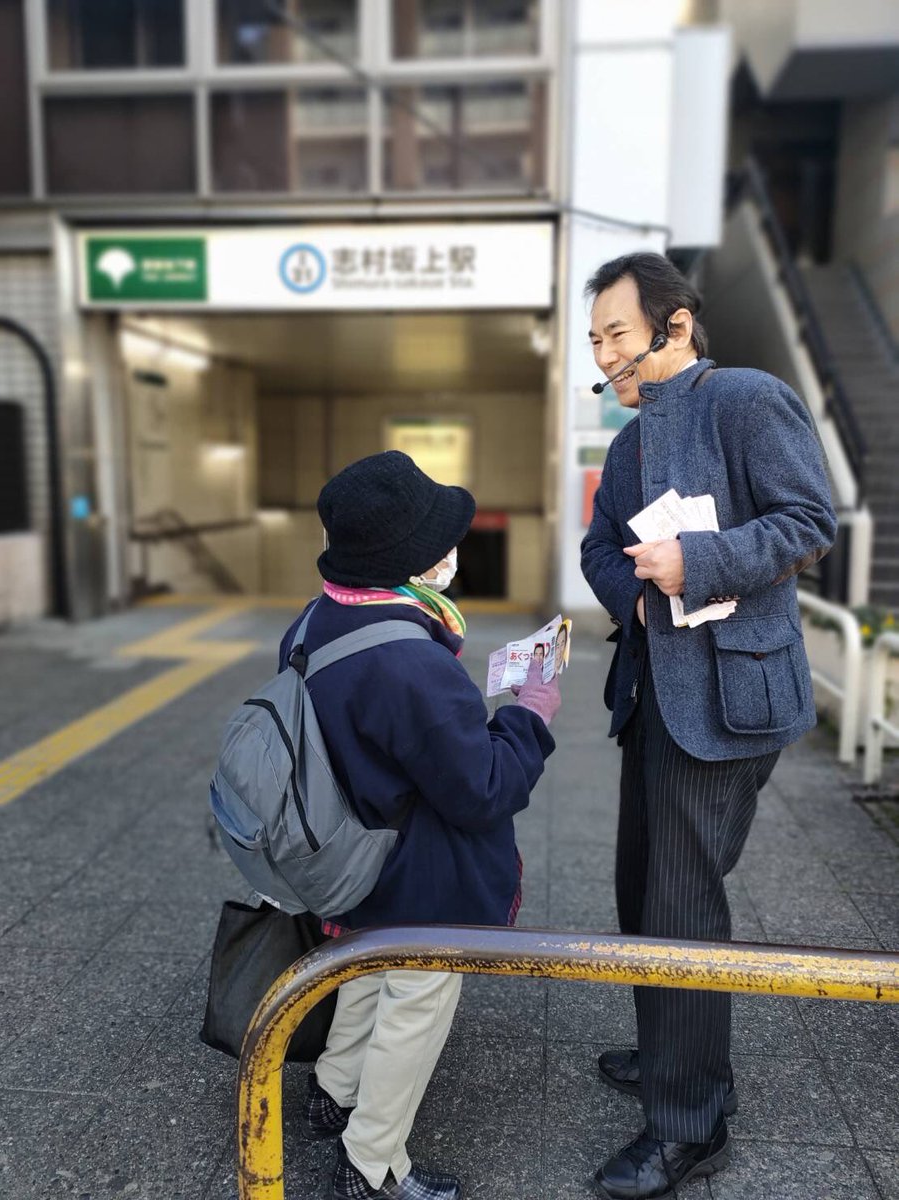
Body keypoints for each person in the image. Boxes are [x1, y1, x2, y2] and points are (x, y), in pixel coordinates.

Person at [579, 253, 836, 1200]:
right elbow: (598, 548)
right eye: (594, 339)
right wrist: (642, 597)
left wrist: (700, 561)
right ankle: (671, 1051)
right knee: (641, 889)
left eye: (616, 333)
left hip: (729, 700)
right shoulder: (629, 445)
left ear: (675, 324)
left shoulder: (747, 400)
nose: (604, 354)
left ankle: (690, 1122)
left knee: (683, 902)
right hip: (651, 695)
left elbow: (809, 520)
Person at [278, 450, 561, 1200]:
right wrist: (530, 714)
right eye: (441, 542)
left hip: (354, 849)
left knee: (365, 968)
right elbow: (483, 789)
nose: (452, 553)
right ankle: (373, 1164)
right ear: (406, 560)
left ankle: (334, 1090)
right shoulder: (411, 661)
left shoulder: (318, 617)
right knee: (415, 1002)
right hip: (419, 870)